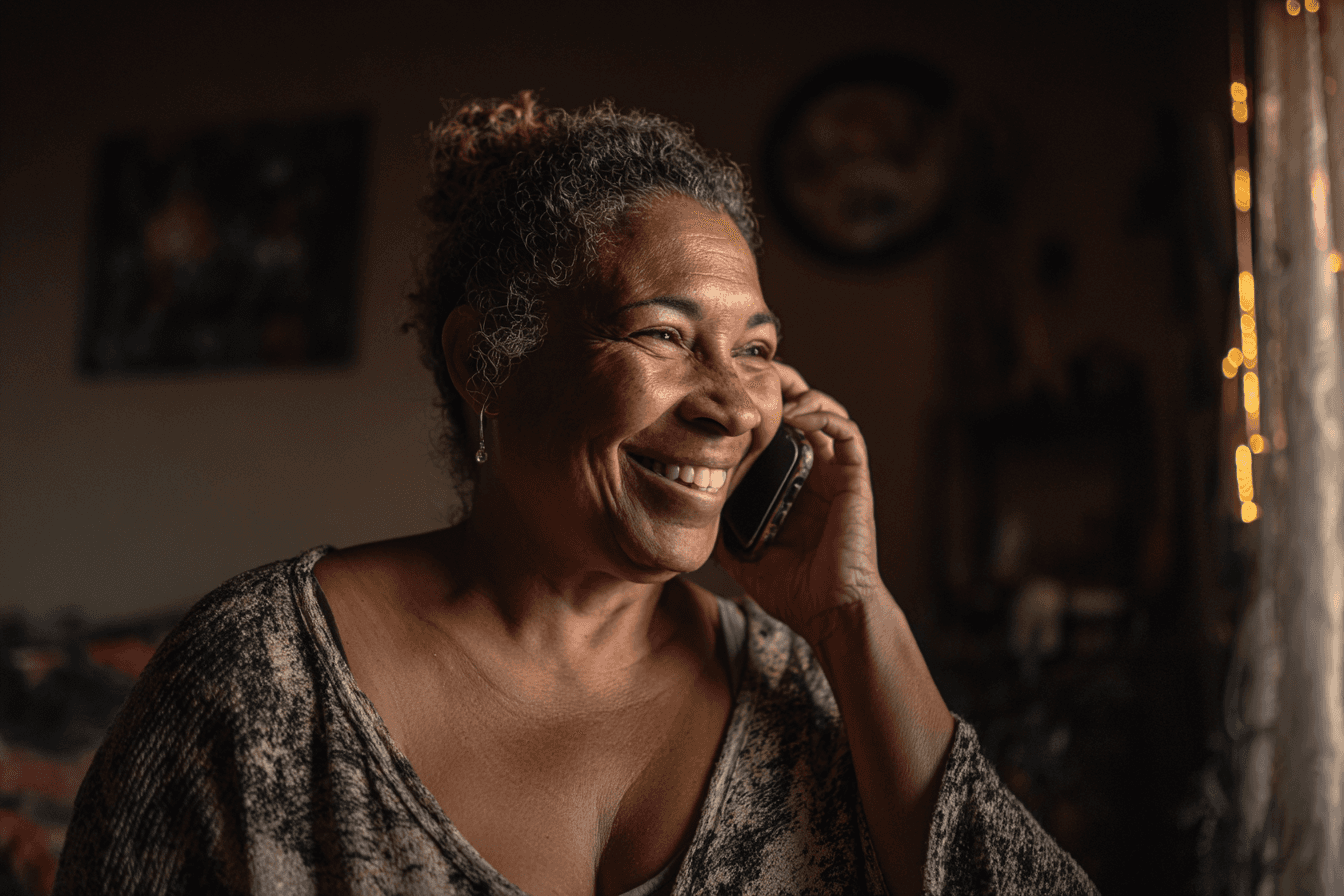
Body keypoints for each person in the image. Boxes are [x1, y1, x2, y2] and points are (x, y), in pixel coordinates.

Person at [54, 93, 1098, 896]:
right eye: (662, 335)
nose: (733, 404)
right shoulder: (256, 681)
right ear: (486, 361)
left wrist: (856, 612)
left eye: (759, 351)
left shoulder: (820, 691)